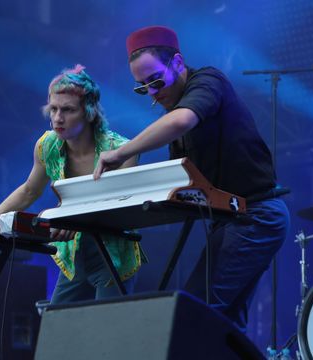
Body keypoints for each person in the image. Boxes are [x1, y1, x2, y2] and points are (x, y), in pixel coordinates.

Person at [93, 25, 290, 330]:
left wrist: (120, 153)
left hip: (256, 215)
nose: (154, 93)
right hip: (233, 220)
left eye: (156, 80)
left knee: (195, 314)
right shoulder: (174, 111)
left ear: (179, 64)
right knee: (227, 326)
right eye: (143, 87)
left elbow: (183, 120)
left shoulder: (208, 81)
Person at [0, 65, 144, 304]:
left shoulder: (121, 150)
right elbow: (29, 190)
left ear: (89, 111)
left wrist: (73, 217)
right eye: (53, 109)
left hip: (113, 255)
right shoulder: (47, 146)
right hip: (74, 254)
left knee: (108, 329)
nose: (57, 118)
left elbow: (122, 209)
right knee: (58, 326)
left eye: (67, 110)